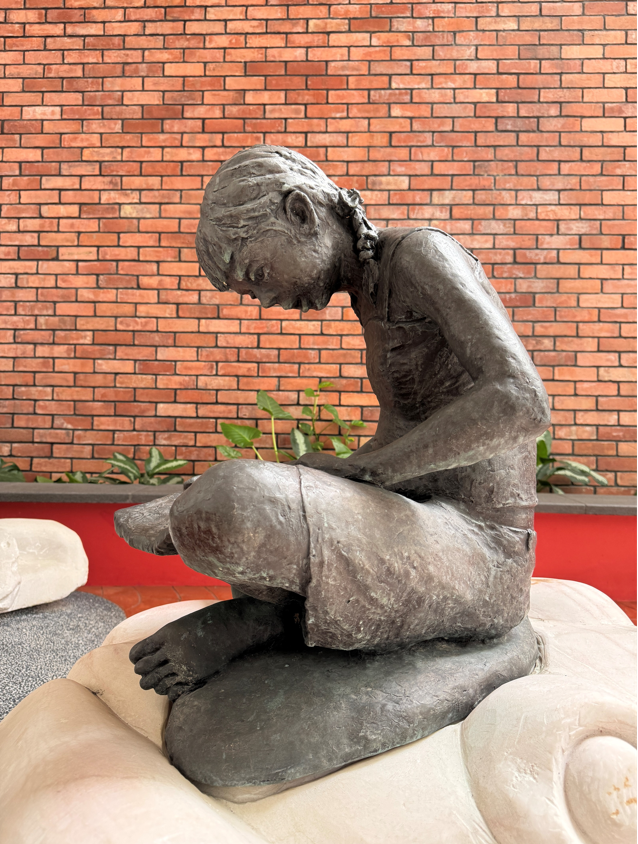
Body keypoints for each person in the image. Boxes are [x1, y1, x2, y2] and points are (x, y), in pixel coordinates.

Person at [122, 145, 550, 703]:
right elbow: (411, 431)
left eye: (258, 274)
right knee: (254, 491)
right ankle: (264, 608)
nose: (268, 300)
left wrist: (368, 470)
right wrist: (336, 474)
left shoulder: (421, 254)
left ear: (301, 212)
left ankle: (264, 619)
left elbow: (522, 400)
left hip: (483, 552)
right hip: (427, 519)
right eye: (253, 294)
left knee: (238, 499)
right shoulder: (371, 290)